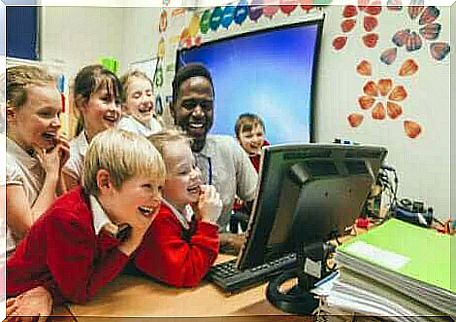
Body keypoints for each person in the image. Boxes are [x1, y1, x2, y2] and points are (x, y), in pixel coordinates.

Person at [6, 129, 165, 310]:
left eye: (160, 188)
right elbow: (80, 291)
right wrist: (132, 241)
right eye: (147, 186)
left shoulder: (123, 211)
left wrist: (49, 291)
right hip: (15, 300)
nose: (157, 198)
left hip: (56, 301)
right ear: (105, 182)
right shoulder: (69, 219)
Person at [171, 63, 258, 253]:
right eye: (189, 105)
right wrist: (224, 240)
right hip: (178, 259)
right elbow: (160, 239)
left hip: (221, 260)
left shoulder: (229, 148)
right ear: (172, 109)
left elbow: (259, 205)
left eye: (206, 106)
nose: (198, 113)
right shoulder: (156, 155)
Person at [134, 129, 221, 287]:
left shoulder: (181, 208)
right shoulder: (156, 219)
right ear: (157, 183)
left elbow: (189, 251)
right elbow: (188, 273)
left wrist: (199, 217)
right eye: (183, 171)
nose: (195, 174)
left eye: (194, 165)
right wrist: (208, 222)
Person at [5, 65, 69, 256]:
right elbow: (30, 232)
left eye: (58, 113)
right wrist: (51, 177)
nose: (57, 123)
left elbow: (65, 215)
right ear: (11, 114)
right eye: (45, 114)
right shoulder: (5, 162)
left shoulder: (40, 154)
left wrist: (58, 172)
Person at [62, 64, 122, 191]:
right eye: (106, 99)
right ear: (82, 104)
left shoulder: (128, 148)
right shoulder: (71, 160)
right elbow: (73, 208)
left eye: (117, 102)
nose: (114, 108)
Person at [231, 113, 270, 233]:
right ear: (238, 140)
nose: (255, 140)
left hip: (263, 201)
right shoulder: (235, 156)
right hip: (242, 205)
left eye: (259, 135)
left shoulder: (268, 153)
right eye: (248, 136)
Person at [117, 70, 163, 136]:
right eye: (137, 96)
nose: (146, 100)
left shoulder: (155, 123)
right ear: (124, 108)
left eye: (149, 94)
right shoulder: (126, 127)